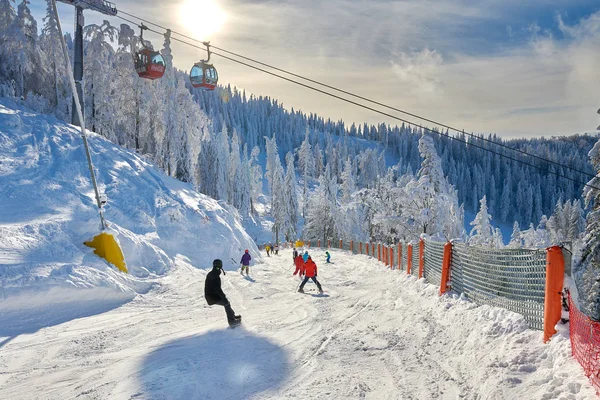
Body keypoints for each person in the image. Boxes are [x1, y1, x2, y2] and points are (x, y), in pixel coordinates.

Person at [205, 259, 241, 327]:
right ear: (220, 265)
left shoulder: (213, 273)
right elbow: (217, 288)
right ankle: (232, 322)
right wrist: (223, 297)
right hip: (212, 297)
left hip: (211, 295)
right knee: (226, 303)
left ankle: (232, 317)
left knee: (227, 303)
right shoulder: (215, 275)